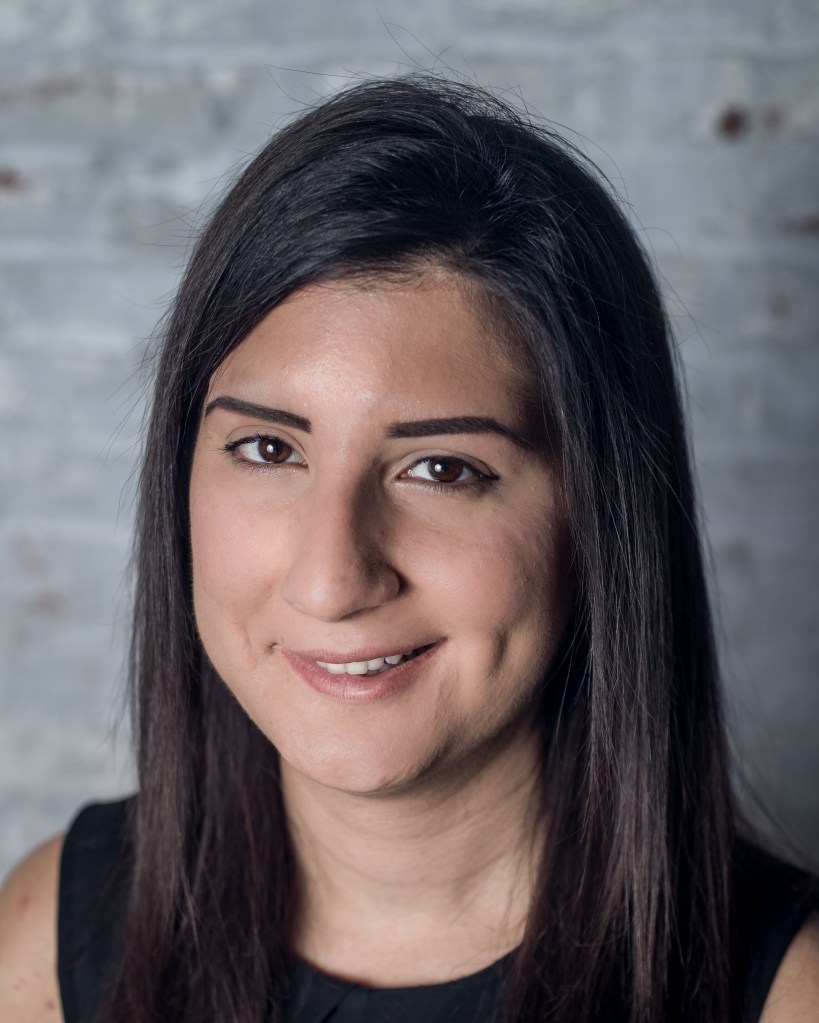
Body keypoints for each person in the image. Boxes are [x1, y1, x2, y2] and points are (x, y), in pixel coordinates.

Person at [1, 75, 817, 1023]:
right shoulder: (52, 940)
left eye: (442, 469)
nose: (331, 577)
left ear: (600, 519)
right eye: (268, 448)